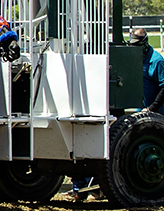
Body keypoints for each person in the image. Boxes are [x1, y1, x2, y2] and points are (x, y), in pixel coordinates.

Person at [67, 28, 164, 199]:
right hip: (138, 112)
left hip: (156, 114)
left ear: (145, 43)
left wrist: (153, 108)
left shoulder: (157, 61)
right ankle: (93, 186)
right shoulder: (133, 59)